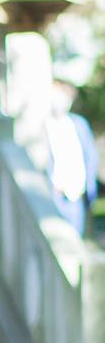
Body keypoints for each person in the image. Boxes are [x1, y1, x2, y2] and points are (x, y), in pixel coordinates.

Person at [45, 76, 98, 235]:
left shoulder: (78, 124)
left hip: (76, 197)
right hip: (55, 196)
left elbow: (90, 156)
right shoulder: (44, 125)